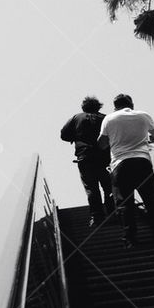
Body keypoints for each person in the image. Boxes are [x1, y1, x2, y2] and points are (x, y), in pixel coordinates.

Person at [98, 94, 154, 245]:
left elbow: (102, 144)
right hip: (143, 162)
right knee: (151, 200)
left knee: (124, 203)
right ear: (132, 104)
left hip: (120, 165)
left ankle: (130, 239)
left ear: (115, 106)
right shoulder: (143, 115)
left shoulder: (109, 119)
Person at [61, 96, 114, 227]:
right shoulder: (105, 118)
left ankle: (97, 217)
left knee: (91, 188)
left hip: (85, 158)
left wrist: (77, 137)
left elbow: (63, 135)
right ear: (98, 106)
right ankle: (113, 214)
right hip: (105, 158)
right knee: (109, 187)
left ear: (83, 107)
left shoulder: (76, 118)